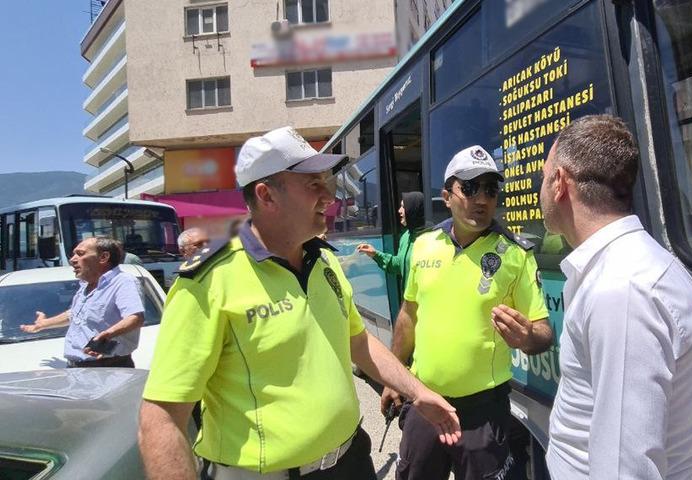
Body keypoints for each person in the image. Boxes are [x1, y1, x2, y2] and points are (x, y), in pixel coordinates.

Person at [138, 126, 462, 480]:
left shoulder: (323, 261)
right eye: (313, 184)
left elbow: (356, 340)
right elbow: (162, 418)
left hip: (350, 460)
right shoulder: (208, 281)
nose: (329, 197)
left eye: (328, 183)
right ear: (266, 195)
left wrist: (417, 391)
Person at [538, 114, 692, 479]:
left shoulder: (622, 289)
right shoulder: (623, 270)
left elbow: (625, 467)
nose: (540, 187)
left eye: (543, 176)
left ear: (559, 183)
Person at [385, 145, 553, 480]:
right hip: (425, 402)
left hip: (482, 412)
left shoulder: (515, 255)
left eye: (490, 190)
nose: (482, 199)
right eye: (470, 188)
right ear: (447, 196)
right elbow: (409, 315)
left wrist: (527, 337)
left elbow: (543, 333)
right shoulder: (423, 245)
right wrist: (394, 375)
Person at [20, 237, 145, 368]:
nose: (72, 259)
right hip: (77, 368)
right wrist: (44, 324)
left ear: (103, 257)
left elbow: (135, 318)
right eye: (73, 254)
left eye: (80, 254)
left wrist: (108, 334)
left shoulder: (123, 282)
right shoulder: (86, 285)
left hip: (108, 369)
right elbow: (74, 314)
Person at [356, 191, 426, 288]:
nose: (399, 211)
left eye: (403, 207)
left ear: (414, 209)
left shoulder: (429, 237)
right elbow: (398, 265)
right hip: (409, 299)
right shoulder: (406, 236)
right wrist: (375, 254)